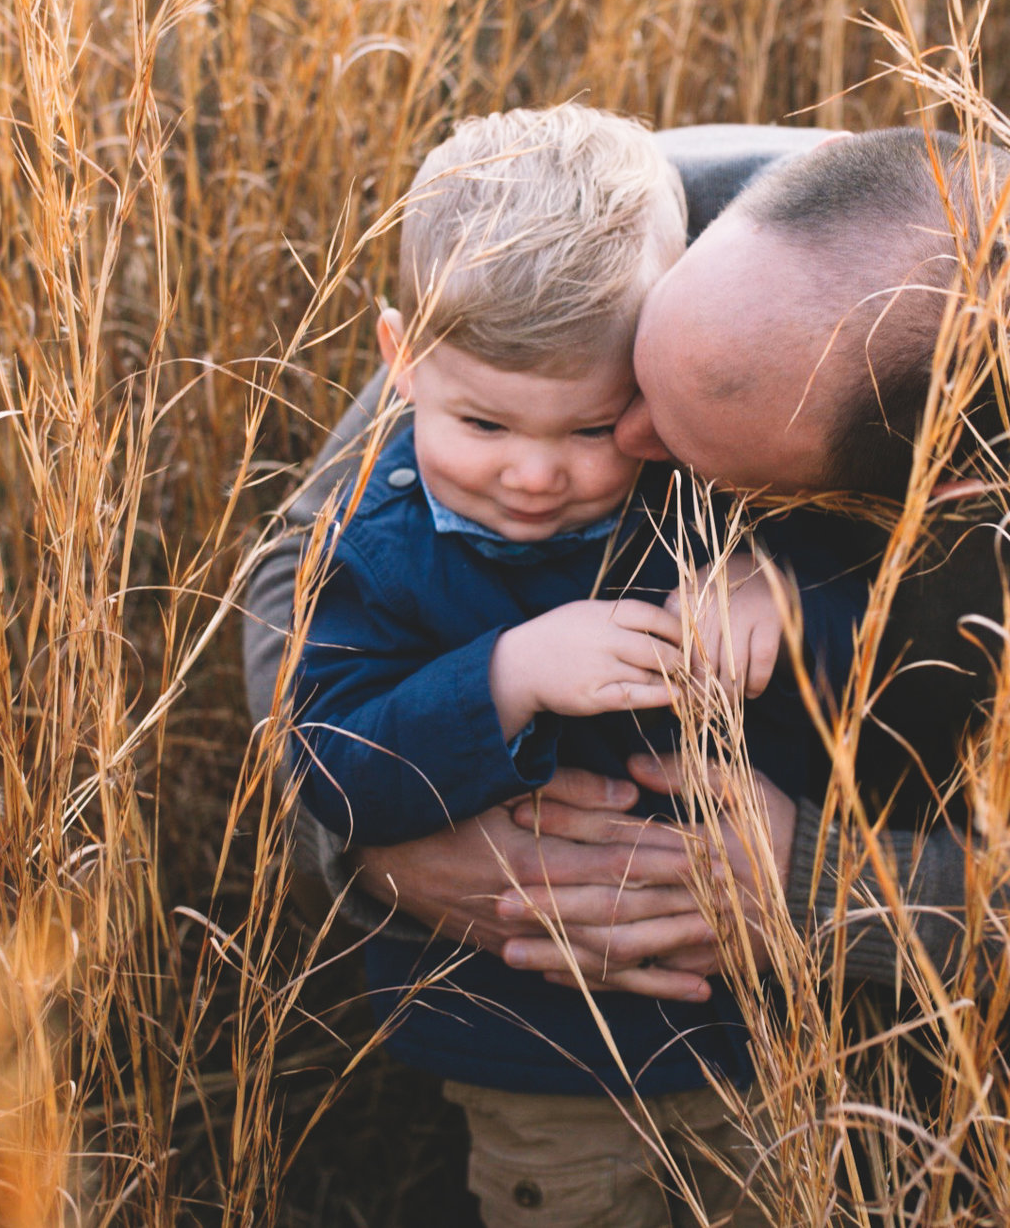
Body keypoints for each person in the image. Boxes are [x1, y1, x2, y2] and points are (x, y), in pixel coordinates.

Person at [242, 123, 1010, 1018]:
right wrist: (377, 846)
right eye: (627, 385)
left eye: (682, 451)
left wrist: (845, 892)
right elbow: (309, 553)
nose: (606, 451)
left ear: (927, 497)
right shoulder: (622, 230)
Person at [284, 106, 861, 1228]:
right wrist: (502, 675)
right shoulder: (378, 551)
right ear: (401, 357)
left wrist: (788, 598)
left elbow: (898, 622)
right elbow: (333, 768)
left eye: (591, 430)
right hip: (541, 1054)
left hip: (776, 1031)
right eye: (485, 422)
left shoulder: (716, 486)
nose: (534, 475)